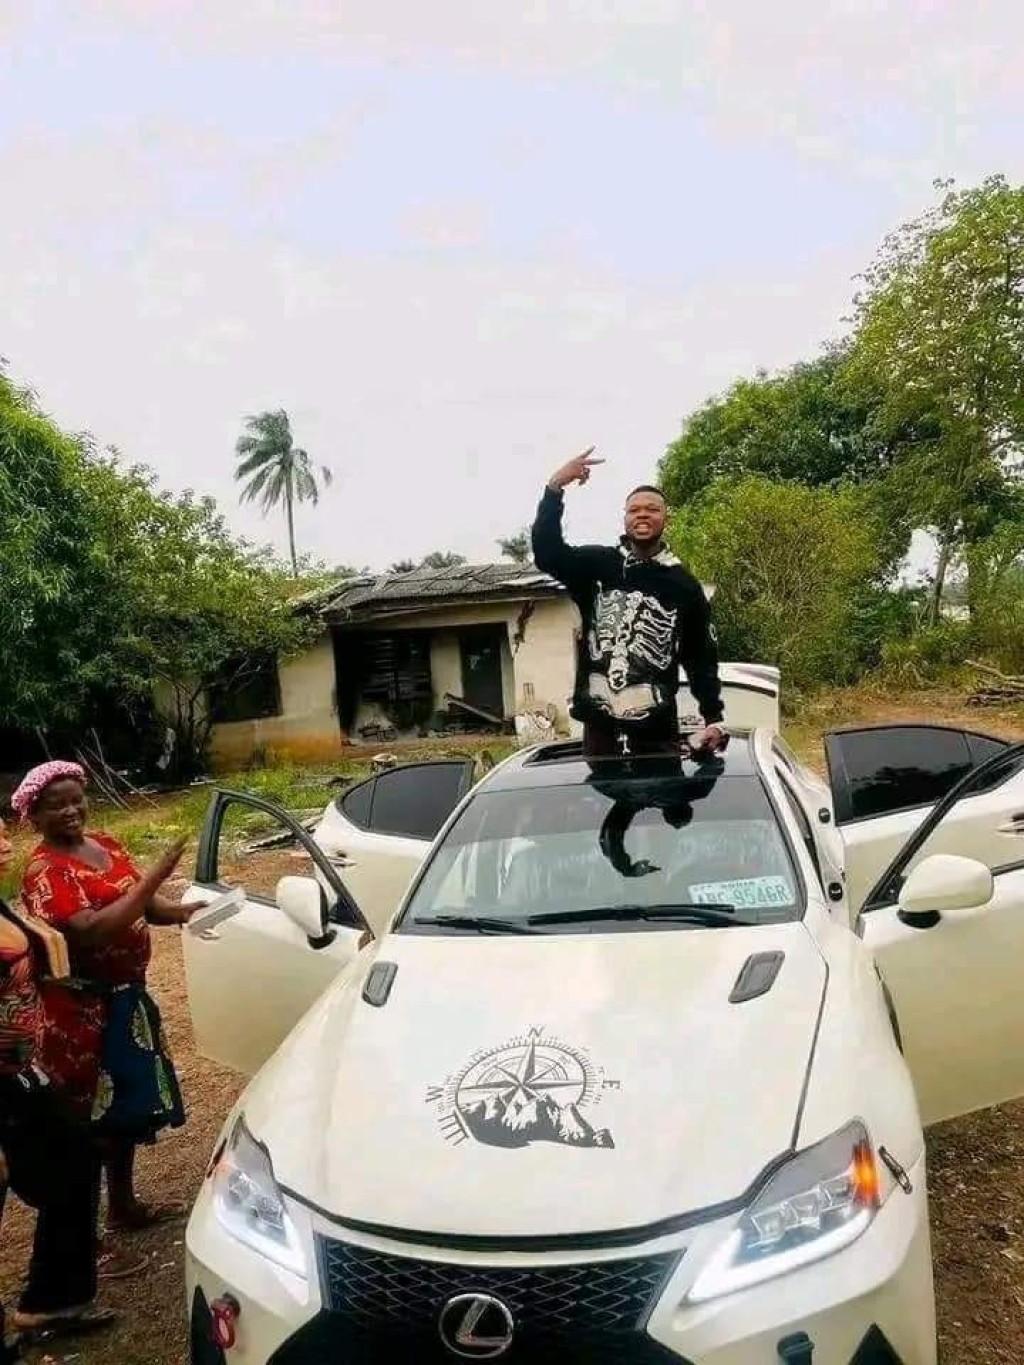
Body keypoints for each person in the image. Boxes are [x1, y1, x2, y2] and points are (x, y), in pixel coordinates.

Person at [12, 761, 198, 1235]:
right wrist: (154, 877)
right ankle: (82, 1233)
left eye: (76, 800)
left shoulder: (106, 845)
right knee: (88, 1117)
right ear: (35, 816)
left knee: (124, 1109)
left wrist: (181, 912)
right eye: (57, 805)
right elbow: (91, 931)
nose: (71, 811)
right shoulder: (45, 870)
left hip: (126, 999)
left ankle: (122, 1205)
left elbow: (144, 906)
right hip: (81, 1012)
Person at [0, 818, 116, 1362]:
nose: (5, 843)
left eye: (2, 832)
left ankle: (54, 1300)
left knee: (76, 1158)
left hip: (23, 1073)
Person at [531, 448, 727, 758]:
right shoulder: (597, 565)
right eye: (634, 510)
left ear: (666, 519)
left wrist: (713, 717)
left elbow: (700, 656)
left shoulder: (683, 584)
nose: (643, 515)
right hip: (599, 728)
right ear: (625, 519)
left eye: (652, 509)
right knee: (600, 789)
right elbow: (547, 553)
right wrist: (555, 487)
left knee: (665, 786)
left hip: (657, 728)